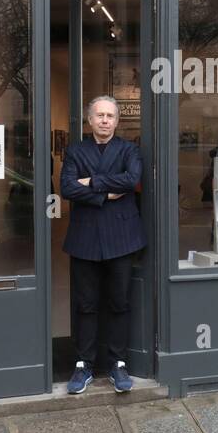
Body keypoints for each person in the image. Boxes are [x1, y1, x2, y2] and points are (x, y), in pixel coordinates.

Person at [60, 95, 146, 394]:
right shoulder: (75, 150)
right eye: (100, 115)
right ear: (90, 120)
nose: (105, 120)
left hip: (121, 238)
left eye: (110, 115)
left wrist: (91, 182)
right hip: (84, 239)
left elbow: (132, 179)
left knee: (119, 303)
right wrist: (106, 193)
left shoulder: (129, 149)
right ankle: (83, 364)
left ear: (117, 120)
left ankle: (118, 363)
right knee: (85, 305)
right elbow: (67, 187)